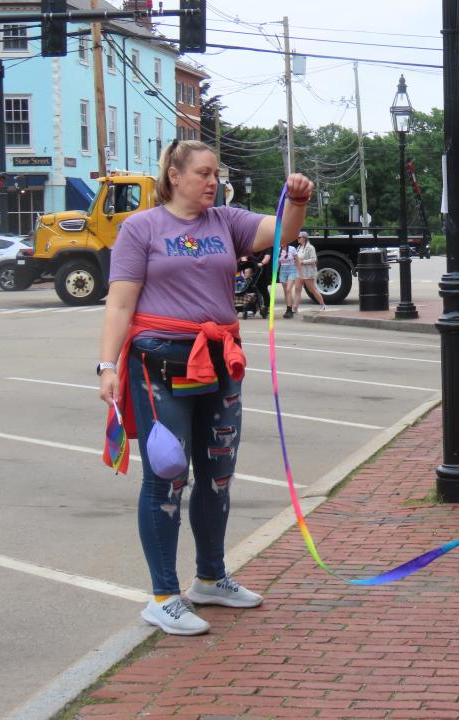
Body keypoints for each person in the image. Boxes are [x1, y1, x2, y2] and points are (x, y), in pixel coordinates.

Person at [98, 139, 313, 635]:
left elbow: (280, 233)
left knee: (217, 475)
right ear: (174, 176)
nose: (213, 181)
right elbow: (119, 304)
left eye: (216, 173)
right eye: (203, 173)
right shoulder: (140, 229)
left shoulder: (226, 222)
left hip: (219, 362)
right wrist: (106, 365)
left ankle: (211, 578)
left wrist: (297, 200)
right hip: (159, 365)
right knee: (168, 473)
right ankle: (163, 595)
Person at [295, 230, 325, 312]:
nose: (297, 239)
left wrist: (303, 262)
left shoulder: (310, 247)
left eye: (299, 237)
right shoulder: (298, 247)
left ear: (304, 238)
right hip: (299, 271)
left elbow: (314, 259)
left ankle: (322, 304)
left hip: (308, 271)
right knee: (297, 289)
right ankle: (295, 308)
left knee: (312, 289)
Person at [278, 238, 299, 318]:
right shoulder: (279, 250)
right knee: (286, 292)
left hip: (292, 269)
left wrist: (300, 272)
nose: (281, 243)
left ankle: (290, 310)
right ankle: (288, 309)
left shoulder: (292, 249)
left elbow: (297, 260)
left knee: (288, 289)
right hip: (282, 270)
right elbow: (277, 262)